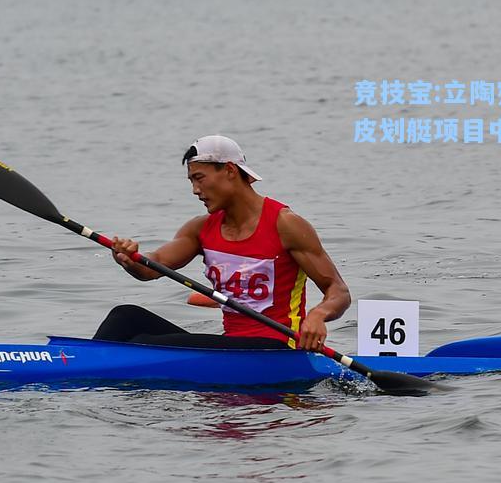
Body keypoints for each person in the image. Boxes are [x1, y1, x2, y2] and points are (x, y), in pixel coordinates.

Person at [93, 135, 351, 352]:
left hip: (277, 347)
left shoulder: (286, 225)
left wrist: (317, 315)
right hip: (233, 347)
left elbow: (338, 291)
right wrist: (129, 258)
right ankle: (77, 363)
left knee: (141, 343)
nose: (195, 190)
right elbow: (152, 267)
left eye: (199, 178)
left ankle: (88, 369)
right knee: (124, 317)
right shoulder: (200, 228)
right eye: (191, 181)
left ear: (229, 170)